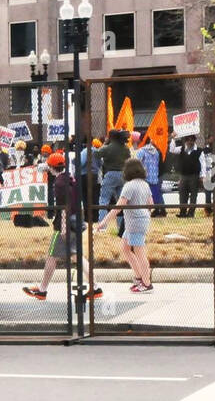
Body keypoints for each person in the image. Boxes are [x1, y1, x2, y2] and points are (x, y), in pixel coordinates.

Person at [23, 152, 102, 302]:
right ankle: (95, 287)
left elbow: (64, 207)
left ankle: (42, 291)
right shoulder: (70, 178)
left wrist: (64, 227)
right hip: (77, 220)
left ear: (52, 167)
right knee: (76, 256)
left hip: (64, 225)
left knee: (52, 257)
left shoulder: (59, 183)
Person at [96, 157, 154, 292]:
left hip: (134, 222)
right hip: (138, 220)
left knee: (139, 252)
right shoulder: (144, 184)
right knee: (125, 248)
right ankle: (140, 277)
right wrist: (146, 214)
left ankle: (146, 283)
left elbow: (118, 207)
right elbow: (151, 203)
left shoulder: (129, 186)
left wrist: (103, 222)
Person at [96, 129, 128, 225]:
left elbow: (96, 154)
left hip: (110, 174)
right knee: (121, 201)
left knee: (104, 199)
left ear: (110, 137)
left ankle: (102, 224)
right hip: (123, 175)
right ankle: (121, 225)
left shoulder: (108, 148)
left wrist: (105, 143)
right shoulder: (125, 148)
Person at [133, 133, 167, 218]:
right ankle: (159, 211)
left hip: (145, 179)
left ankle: (144, 213)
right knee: (155, 197)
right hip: (154, 178)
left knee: (144, 198)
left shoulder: (142, 151)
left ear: (142, 140)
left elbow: (136, 163)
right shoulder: (156, 151)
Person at [174, 135, 204, 217]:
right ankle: (182, 212)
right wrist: (174, 138)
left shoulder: (199, 151)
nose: (189, 142)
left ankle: (191, 213)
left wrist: (202, 176)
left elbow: (203, 164)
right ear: (185, 141)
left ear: (194, 141)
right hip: (183, 175)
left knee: (193, 195)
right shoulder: (181, 149)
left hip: (194, 176)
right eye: (188, 140)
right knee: (182, 194)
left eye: (191, 140)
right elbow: (172, 149)